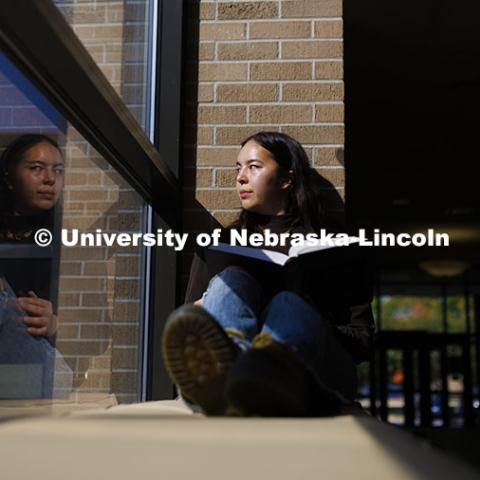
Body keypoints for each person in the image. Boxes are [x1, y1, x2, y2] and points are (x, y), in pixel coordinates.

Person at [162, 131, 375, 416]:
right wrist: (204, 307)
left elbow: (363, 342)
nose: (240, 177)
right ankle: (230, 372)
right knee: (232, 280)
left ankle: (259, 370)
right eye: (238, 168)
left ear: (287, 179)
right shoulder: (221, 243)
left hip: (313, 369)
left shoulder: (335, 243)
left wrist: (308, 319)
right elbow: (189, 322)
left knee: (287, 304)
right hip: (240, 359)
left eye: (253, 167)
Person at [0, 134, 71, 398]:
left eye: (58, 170)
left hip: (39, 360)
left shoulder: (69, 239)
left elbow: (98, 329)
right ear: (8, 178)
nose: (50, 179)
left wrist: (54, 323)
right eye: (37, 168)